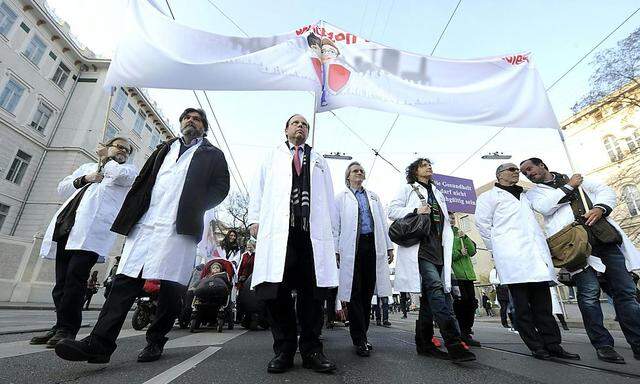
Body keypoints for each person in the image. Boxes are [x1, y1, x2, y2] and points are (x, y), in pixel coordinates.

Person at [55, 107, 230, 364]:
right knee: (123, 282)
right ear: (181, 123)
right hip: (146, 224)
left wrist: (196, 204)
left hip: (179, 227)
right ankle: (99, 344)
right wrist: (132, 214)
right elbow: (143, 182)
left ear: (204, 127)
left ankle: (155, 340)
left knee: (172, 288)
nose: (191, 121)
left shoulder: (213, 154)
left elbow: (221, 187)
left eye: (197, 119)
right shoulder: (163, 149)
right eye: (187, 118)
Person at [521, 157, 640, 363]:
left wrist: (600, 208)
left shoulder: (574, 176)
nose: (528, 174)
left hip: (604, 240)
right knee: (589, 297)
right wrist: (569, 186)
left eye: (530, 168)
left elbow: (605, 191)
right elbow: (546, 207)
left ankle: (637, 343)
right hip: (575, 249)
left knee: (626, 294)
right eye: (525, 173)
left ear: (542, 165)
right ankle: (603, 346)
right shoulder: (533, 193)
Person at [248, 114, 339, 373]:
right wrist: (253, 219)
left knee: (313, 294)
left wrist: (332, 235)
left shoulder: (319, 159)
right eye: (296, 123)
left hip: (311, 233)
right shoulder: (272, 156)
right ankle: (284, 350)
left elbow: (329, 198)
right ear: (285, 129)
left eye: (305, 124)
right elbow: (259, 188)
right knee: (277, 292)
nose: (301, 126)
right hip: (280, 233)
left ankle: (311, 350)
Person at [31, 137, 137, 348]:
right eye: (119, 146)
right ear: (107, 146)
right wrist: (86, 178)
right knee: (61, 282)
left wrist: (108, 159)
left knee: (74, 279)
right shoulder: (88, 167)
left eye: (127, 149)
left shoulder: (128, 171)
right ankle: (59, 324)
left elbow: (118, 174)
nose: (123, 150)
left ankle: (68, 329)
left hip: (91, 234)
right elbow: (62, 189)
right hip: (66, 228)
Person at [475, 162, 578, 361]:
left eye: (517, 170)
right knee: (522, 309)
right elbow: (482, 225)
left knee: (544, 307)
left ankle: (553, 345)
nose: (516, 173)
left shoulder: (525, 194)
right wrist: (497, 248)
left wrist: (568, 187)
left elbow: (547, 206)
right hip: (512, 258)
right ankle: (536, 346)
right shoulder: (488, 197)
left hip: (535, 259)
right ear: (500, 175)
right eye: (512, 170)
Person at [388, 157, 475, 363]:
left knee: (429, 299)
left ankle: (424, 343)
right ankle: (454, 343)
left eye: (430, 164)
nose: (429, 167)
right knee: (437, 292)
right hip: (421, 250)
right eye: (424, 165)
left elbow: (445, 223)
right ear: (415, 171)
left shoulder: (438, 192)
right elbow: (391, 211)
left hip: (439, 249)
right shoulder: (408, 188)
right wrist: (415, 210)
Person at [334, 161, 394, 356]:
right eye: (355, 171)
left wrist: (389, 247)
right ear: (348, 176)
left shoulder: (373, 197)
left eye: (361, 170)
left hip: (372, 247)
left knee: (368, 293)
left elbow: (383, 225)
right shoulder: (340, 198)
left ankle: (363, 335)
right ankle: (359, 339)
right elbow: (335, 227)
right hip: (352, 249)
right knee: (354, 294)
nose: (359, 173)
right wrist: (335, 250)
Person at [449, 212, 480, 346]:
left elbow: (472, 250)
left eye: (452, 218)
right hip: (457, 275)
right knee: (462, 303)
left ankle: (467, 330)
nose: (451, 220)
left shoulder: (459, 233)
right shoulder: (446, 234)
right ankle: (461, 331)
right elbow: (447, 255)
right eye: (449, 218)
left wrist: (465, 237)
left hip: (468, 275)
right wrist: (458, 253)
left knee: (471, 303)